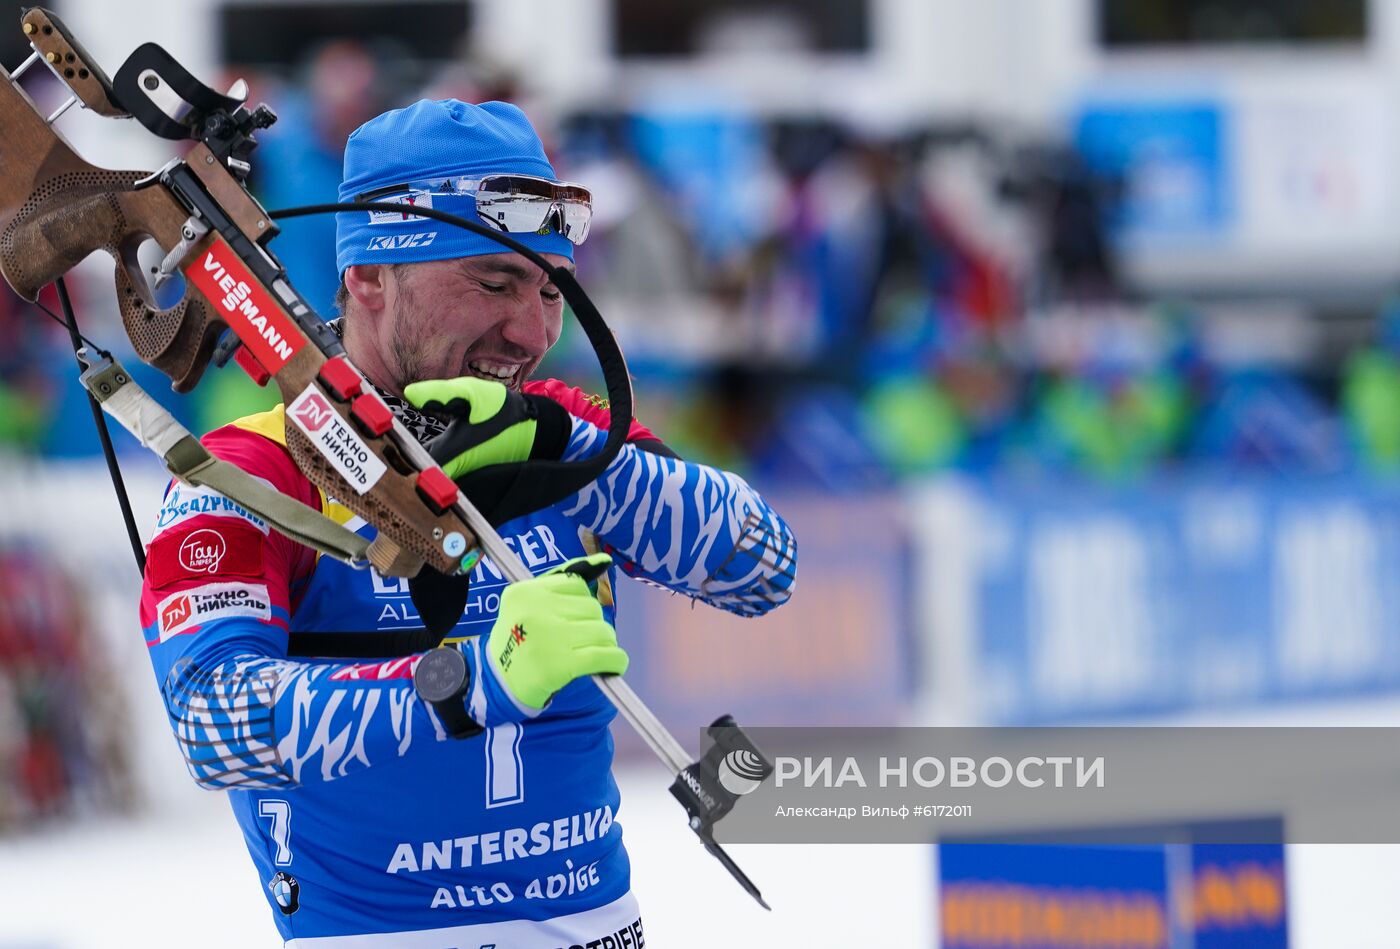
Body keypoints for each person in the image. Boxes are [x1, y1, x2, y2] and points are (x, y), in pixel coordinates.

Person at [137, 99, 797, 946]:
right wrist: (479, 683)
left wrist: (571, 457)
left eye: (551, 287)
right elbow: (212, 724)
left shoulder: (548, 422)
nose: (531, 330)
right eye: (493, 282)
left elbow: (762, 564)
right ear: (370, 276)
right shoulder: (257, 472)